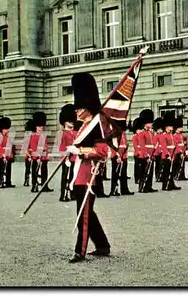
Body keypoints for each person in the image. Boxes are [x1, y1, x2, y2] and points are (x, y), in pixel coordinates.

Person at [65, 73, 110, 263]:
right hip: (78, 174)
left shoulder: (97, 126)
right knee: (88, 213)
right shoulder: (83, 126)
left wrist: (80, 150)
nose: (76, 111)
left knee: (83, 214)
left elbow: (102, 152)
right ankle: (102, 245)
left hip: (88, 175)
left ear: (87, 107)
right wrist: (72, 153)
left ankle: (80, 251)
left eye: (79, 107)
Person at [28, 112, 53, 193]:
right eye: (39, 126)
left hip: (44, 156)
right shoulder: (34, 135)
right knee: (35, 171)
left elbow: (45, 146)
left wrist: (46, 156)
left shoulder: (43, 135)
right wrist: (37, 157)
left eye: (42, 126)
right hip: (37, 157)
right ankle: (34, 186)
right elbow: (34, 147)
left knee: (44, 172)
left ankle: (44, 185)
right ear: (35, 126)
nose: (41, 128)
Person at [58, 103, 77, 202]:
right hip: (67, 158)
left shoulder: (75, 133)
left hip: (75, 158)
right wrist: (65, 158)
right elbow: (61, 147)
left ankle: (72, 193)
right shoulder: (63, 134)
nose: (72, 123)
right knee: (65, 177)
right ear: (65, 122)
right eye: (70, 121)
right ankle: (63, 194)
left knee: (73, 177)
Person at [138, 109, 158, 193]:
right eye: (150, 123)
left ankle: (149, 186)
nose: (151, 124)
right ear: (145, 124)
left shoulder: (151, 133)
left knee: (150, 172)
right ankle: (142, 187)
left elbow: (153, 144)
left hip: (151, 154)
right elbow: (142, 146)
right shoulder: (142, 133)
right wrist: (146, 155)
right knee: (143, 172)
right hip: (145, 155)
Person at [160, 111, 181, 191]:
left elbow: (174, 145)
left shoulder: (171, 135)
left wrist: (176, 153)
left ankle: (171, 184)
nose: (172, 127)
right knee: (166, 171)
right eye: (170, 125)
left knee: (171, 171)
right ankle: (165, 185)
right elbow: (164, 147)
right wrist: (167, 155)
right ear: (166, 126)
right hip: (167, 156)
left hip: (172, 155)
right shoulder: (164, 135)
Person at [110, 130, 134, 196]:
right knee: (115, 174)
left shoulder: (123, 133)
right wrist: (117, 156)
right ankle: (114, 190)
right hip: (117, 156)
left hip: (123, 156)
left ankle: (124, 189)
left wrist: (124, 155)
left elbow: (125, 145)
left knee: (123, 174)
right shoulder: (114, 133)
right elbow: (112, 146)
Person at [173, 116, 187, 181]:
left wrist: (184, 151)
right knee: (177, 164)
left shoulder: (181, 135)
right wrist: (180, 152)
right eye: (180, 127)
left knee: (182, 164)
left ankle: (182, 175)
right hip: (177, 152)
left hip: (182, 151)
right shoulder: (175, 136)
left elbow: (182, 144)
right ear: (177, 128)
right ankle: (176, 175)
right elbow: (176, 145)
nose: (182, 128)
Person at [131, 117, 143, 184]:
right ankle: (137, 179)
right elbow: (135, 146)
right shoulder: (135, 136)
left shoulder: (141, 136)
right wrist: (138, 152)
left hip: (142, 152)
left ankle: (140, 178)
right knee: (137, 167)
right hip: (137, 153)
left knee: (141, 167)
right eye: (139, 129)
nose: (140, 130)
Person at [23, 119, 35, 187]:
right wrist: (29, 155)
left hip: (31, 154)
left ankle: (27, 180)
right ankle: (27, 180)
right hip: (29, 154)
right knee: (29, 169)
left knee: (29, 168)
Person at [152, 117, 164, 182]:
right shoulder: (155, 136)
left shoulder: (162, 135)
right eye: (159, 129)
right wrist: (159, 151)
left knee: (162, 165)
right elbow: (156, 145)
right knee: (158, 166)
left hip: (162, 152)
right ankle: (157, 177)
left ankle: (161, 176)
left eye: (161, 129)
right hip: (157, 153)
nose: (160, 130)